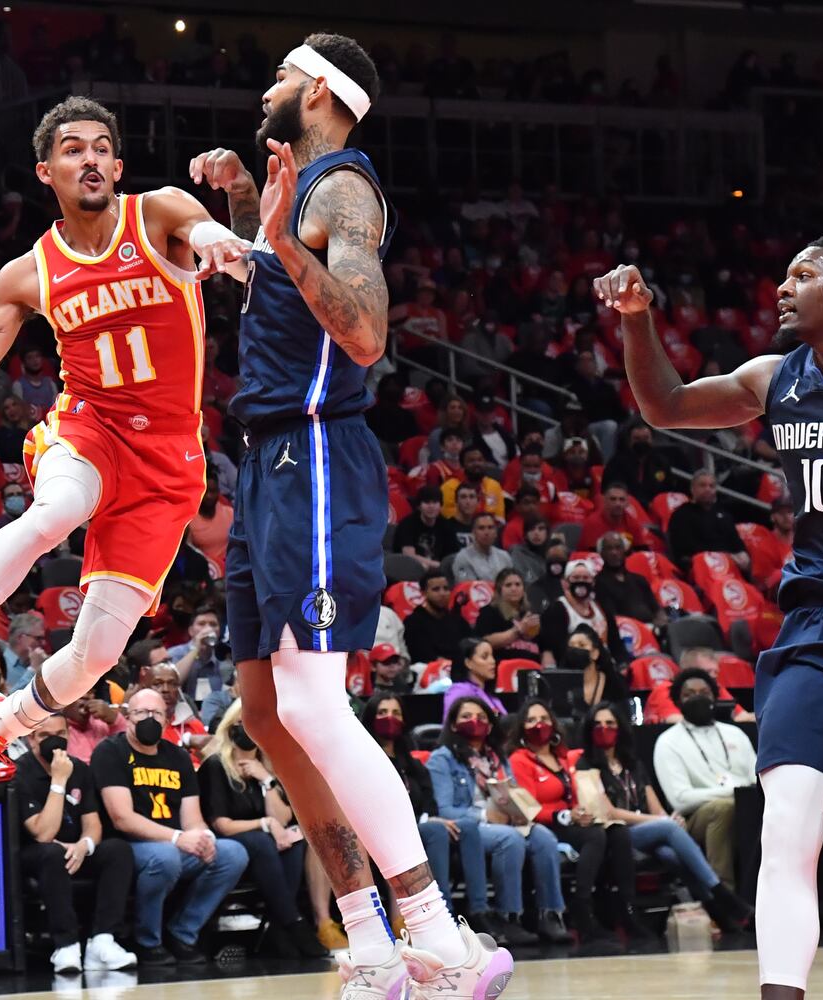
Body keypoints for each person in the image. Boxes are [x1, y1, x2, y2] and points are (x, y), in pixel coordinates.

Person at [195, 34, 510, 996]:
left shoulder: (341, 188)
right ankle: (370, 940)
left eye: (283, 76)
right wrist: (246, 212)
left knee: (311, 702)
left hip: (317, 456)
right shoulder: (294, 190)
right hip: (265, 459)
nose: (267, 88)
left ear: (324, 94)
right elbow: (285, 301)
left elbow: (364, 335)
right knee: (265, 713)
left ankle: (439, 934)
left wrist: (282, 238)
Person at [0, 97, 249, 809]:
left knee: (95, 655)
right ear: (45, 171)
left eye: (101, 148)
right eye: (72, 149)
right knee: (57, 509)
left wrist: (217, 235)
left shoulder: (158, 213)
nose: (89, 158)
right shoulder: (28, 274)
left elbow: (201, 225)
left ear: (116, 166)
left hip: (169, 459)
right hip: (88, 427)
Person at [604, 240, 823, 1000]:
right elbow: (664, 406)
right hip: (814, 625)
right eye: (784, 274)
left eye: (804, 275)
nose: (782, 288)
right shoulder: (774, 378)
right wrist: (637, 319)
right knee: (785, 829)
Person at [89, 687, 249, 964]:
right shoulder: (110, 751)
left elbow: (192, 818)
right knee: (166, 857)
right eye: (141, 712)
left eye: (156, 713)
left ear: (166, 720)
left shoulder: (178, 757)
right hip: (130, 846)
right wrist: (177, 838)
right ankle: (147, 942)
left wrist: (204, 837)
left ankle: (182, 933)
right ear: (127, 716)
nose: (149, 719)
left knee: (232, 853)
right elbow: (122, 818)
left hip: (175, 843)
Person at [576, 702, 753, 932]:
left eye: (610, 723)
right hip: (616, 832)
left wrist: (668, 818)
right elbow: (609, 812)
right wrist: (662, 822)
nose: (604, 729)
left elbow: (656, 808)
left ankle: (715, 910)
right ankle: (722, 894)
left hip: (648, 830)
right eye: (598, 724)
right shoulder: (586, 764)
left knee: (670, 855)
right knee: (668, 829)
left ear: (620, 728)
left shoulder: (633, 764)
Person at [428, 696, 565, 946]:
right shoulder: (442, 758)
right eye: (466, 717)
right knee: (510, 839)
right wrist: (485, 816)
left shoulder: (498, 758)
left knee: (544, 837)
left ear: (490, 725)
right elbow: (444, 809)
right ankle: (508, 917)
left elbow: (512, 794)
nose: (474, 721)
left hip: (505, 820)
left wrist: (517, 810)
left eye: (481, 717)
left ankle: (549, 914)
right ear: (454, 725)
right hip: (470, 827)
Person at [361, 694, 501, 937]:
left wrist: (429, 818)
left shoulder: (412, 764)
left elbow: (429, 801)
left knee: (467, 827)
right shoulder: (363, 761)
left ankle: (479, 910)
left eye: (396, 713)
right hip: (384, 829)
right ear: (371, 718)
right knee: (436, 830)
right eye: (382, 713)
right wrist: (428, 820)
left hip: (421, 824)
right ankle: (443, 913)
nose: (390, 719)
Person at [506, 699, 642, 947]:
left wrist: (581, 811)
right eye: (531, 720)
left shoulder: (566, 757)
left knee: (618, 833)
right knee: (595, 835)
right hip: (543, 826)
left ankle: (626, 911)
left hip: (574, 820)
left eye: (544, 719)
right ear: (521, 727)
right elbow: (528, 808)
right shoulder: (519, 760)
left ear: (554, 724)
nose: (539, 725)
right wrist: (566, 815)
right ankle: (582, 910)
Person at [198, 701, 325, 958]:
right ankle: (293, 923)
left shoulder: (268, 766)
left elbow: (284, 818)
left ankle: (278, 929)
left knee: (295, 840)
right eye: (241, 723)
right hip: (230, 839)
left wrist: (265, 780)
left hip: (267, 840)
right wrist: (265, 824)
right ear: (230, 728)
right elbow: (222, 824)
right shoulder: (216, 765)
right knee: (263, 842)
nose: (247, 729)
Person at [16, 712, 138, 974]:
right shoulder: (21, 771)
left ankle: (103, 941)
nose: (54, 741)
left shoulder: (80, 769)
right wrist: (59, 781)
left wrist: (84, 846)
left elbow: (92, 823)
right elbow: (42, 833)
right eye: (45, 736)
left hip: (75, 850)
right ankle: (66, 945)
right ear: (31, 739)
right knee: (51, 853)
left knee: (117, 850)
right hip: (36, 853)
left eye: (60, 734)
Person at [651, 667, 757, 893]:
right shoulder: (668, 741)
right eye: (689, 694)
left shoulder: (735, 733)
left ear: (715, 697)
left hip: (746, 805)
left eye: (704, 692)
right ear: (678, 701)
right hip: (696, 818)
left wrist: (742, 794)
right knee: (723, 808)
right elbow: (681, 799)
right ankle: (723, 893)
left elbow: (756, 779)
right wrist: (735, 792)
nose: (697, 698)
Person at [538, 559, 627, 669]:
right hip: (574, 669)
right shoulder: (556, 610)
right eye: (576, 578)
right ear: (565, 583)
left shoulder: (602, 608)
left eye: (586, 578)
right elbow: (554, 649)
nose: (581, 582)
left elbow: (616, 644)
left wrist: (623, 664)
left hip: (606, 667)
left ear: (593, 582)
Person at [666, 470, 750, 575]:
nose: (707, 489)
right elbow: (686, 549)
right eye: (702, 485)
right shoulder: (681, 514)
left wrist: (742, 554)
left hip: (730, 566)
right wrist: (725, 556)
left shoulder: (724, 514)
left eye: (711, 486)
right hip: (701, 568)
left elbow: (736, 542)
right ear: (692, 489)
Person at [643, 647, 754, 724]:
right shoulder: (665, 689)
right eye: (707, 672)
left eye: (716, 672)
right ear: (688, 671)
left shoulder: (715, 687)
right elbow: (675, 720)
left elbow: (743, 716)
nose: (713, 676)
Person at [594, 533, 666, 627]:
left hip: (652, 627)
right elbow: (613, 618)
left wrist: (661, 624)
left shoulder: (639, 580)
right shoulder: (599, 583)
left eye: (618, 547)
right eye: (609, 548)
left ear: (625, 551)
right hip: (627, 630)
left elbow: (656, 609)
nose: (614, 552)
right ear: (602, 554)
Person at [561, 625, 631, 721]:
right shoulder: (560, 684)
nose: (575, 650)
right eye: (571, 646)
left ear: (595, 653)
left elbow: (624, 719)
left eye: (582, 645)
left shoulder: (615, 683)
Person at [473, 569, 541, 664]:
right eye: (508, 585)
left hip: (533, 665)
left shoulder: (530, 613)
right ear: (499, 590)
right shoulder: (489, 611)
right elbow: (484, 642)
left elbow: (543, 645)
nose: (514, 589)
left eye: (518, 584)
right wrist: (518, 630)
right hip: (504, 665)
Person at [404, 571, 473, 663]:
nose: (442, 593)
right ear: (423, 593)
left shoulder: (456, 619)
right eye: (436, 589)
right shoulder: (413, 622)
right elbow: (422, 656)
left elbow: (472, 644)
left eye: (446, 588)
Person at [394, 485, 462, 568]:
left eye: (435, 502)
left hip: (440, 571)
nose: (431, 506)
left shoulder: (446, 525)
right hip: (410, 569)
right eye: (427, 502)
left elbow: (453, 555)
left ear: (441, 505)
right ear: (419, 506)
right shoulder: (407, 524)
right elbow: (409, 556)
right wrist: (439, 565)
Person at [579, 482, 654, 553]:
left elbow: (642, 551)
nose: (617, 504)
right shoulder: (592, 523)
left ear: (627, 502)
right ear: (604, 500)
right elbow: (591, 554)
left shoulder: (632, 522)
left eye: (621, 499)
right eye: (613, 499)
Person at [442, 638, 508, 719]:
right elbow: (451, 724)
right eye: (484, 657)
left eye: (492, 656)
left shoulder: (491, 696)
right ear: (468, 663)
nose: (492, 661)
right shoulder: (459, 691)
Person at [63, 691, 127, 762]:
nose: (86, 696)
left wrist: (115, 721)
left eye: (90, 691)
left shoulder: (102, 722)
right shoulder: (58, 729)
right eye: (78, 691)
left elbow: (127, 752)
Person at [450, 513, 513, 585]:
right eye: (481, 528)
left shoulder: (504, 556)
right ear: (473, 533)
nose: (486, 532)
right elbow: (467, 588)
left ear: (496, 532)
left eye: (490, 527)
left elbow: (511, 583)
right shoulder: (463, 558)